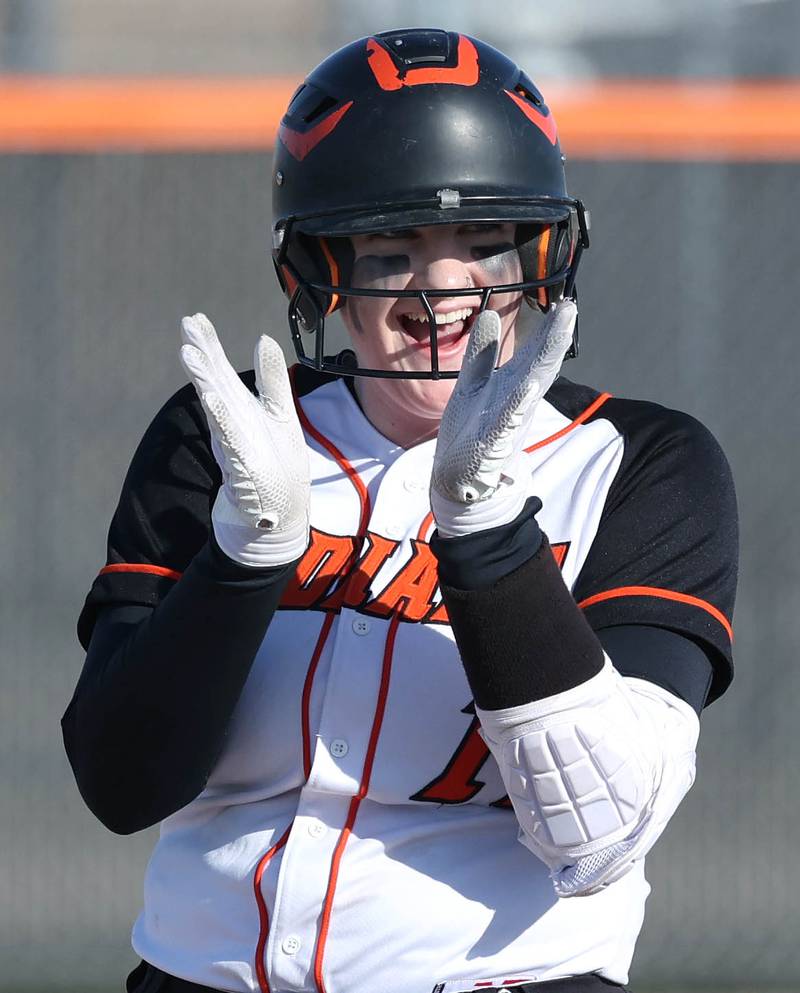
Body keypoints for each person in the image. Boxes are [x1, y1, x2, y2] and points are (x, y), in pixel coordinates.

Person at [62, 28, 738, 993]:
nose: (443, 284)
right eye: (393, 248)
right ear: (321, 271)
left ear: (543, 253)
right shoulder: (232, 437)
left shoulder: (638, 463)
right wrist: (248, 555)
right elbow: (123, 783)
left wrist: (489, 531)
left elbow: (597, 835)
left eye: (484, 242)